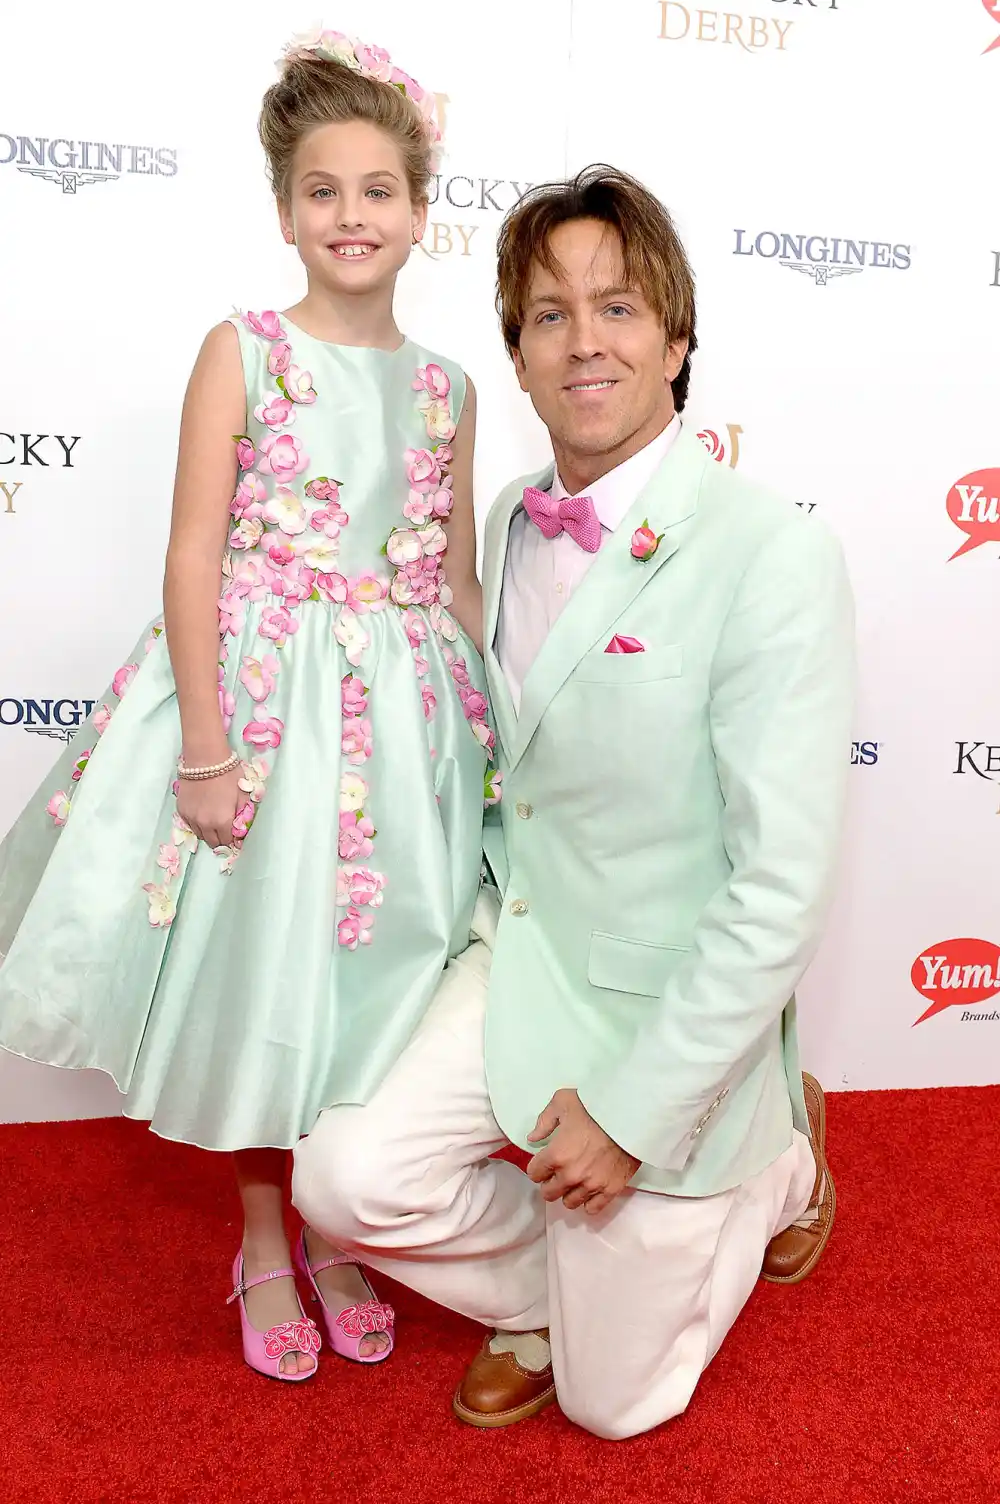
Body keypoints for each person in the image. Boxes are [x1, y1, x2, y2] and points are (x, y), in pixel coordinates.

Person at [292, 165, 854, 1437]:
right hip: (527, 944)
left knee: (614, 1406)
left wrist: (634, 1114)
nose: (583, 341)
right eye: (549, 315)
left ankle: (779, 1165)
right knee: (346, 1179)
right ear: (518, 354)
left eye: (617, 307)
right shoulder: (505, 519)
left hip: (665, 990)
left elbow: (779, 889)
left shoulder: (773, 554)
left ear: (676, 339)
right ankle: (556, 1291)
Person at [0, 29, 493, 1381]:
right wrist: (208, 751)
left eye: (378, 189)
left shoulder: (448, 388)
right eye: (323, 191)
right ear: (284, 211)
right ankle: (267, 1235)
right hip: (272, 722)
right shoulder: (245, 351)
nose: (351, 214)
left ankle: (341, 1225)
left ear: (421, 211)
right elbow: (192, 557)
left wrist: (493, 751)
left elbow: (452, 581)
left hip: (405, 735)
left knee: (374, 986)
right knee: (267, 979)